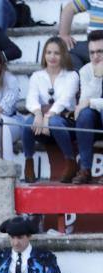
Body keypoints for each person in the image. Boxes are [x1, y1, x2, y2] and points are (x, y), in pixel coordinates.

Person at [22, 37, 80, 184]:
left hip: (66, 123)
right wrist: (37, 114)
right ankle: (29, 163)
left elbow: (65, 100)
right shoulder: (37, 76)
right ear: (44, 55)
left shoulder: (72, 75)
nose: (52, 57)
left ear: (63, 55)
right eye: (48, 52)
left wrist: (48, 116)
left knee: (54, 122)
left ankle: (70, 162)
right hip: (43, 123)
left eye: (57, 53)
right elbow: (31, 99)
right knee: (27, 123)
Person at [72, 30, 103, 184]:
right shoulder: (86, 71)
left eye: (100, 52)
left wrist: (91, 102)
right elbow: (84, 102)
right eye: (92, 53)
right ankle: (85, 169)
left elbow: (87, 101)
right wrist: (97, 77)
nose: (95, 56)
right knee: (84, 115)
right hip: (96, 122)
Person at [58, 0, 102, 71]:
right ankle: (81, 77)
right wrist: (64, 35)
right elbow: (69, 8)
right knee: (66, 49)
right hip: (92, 46)